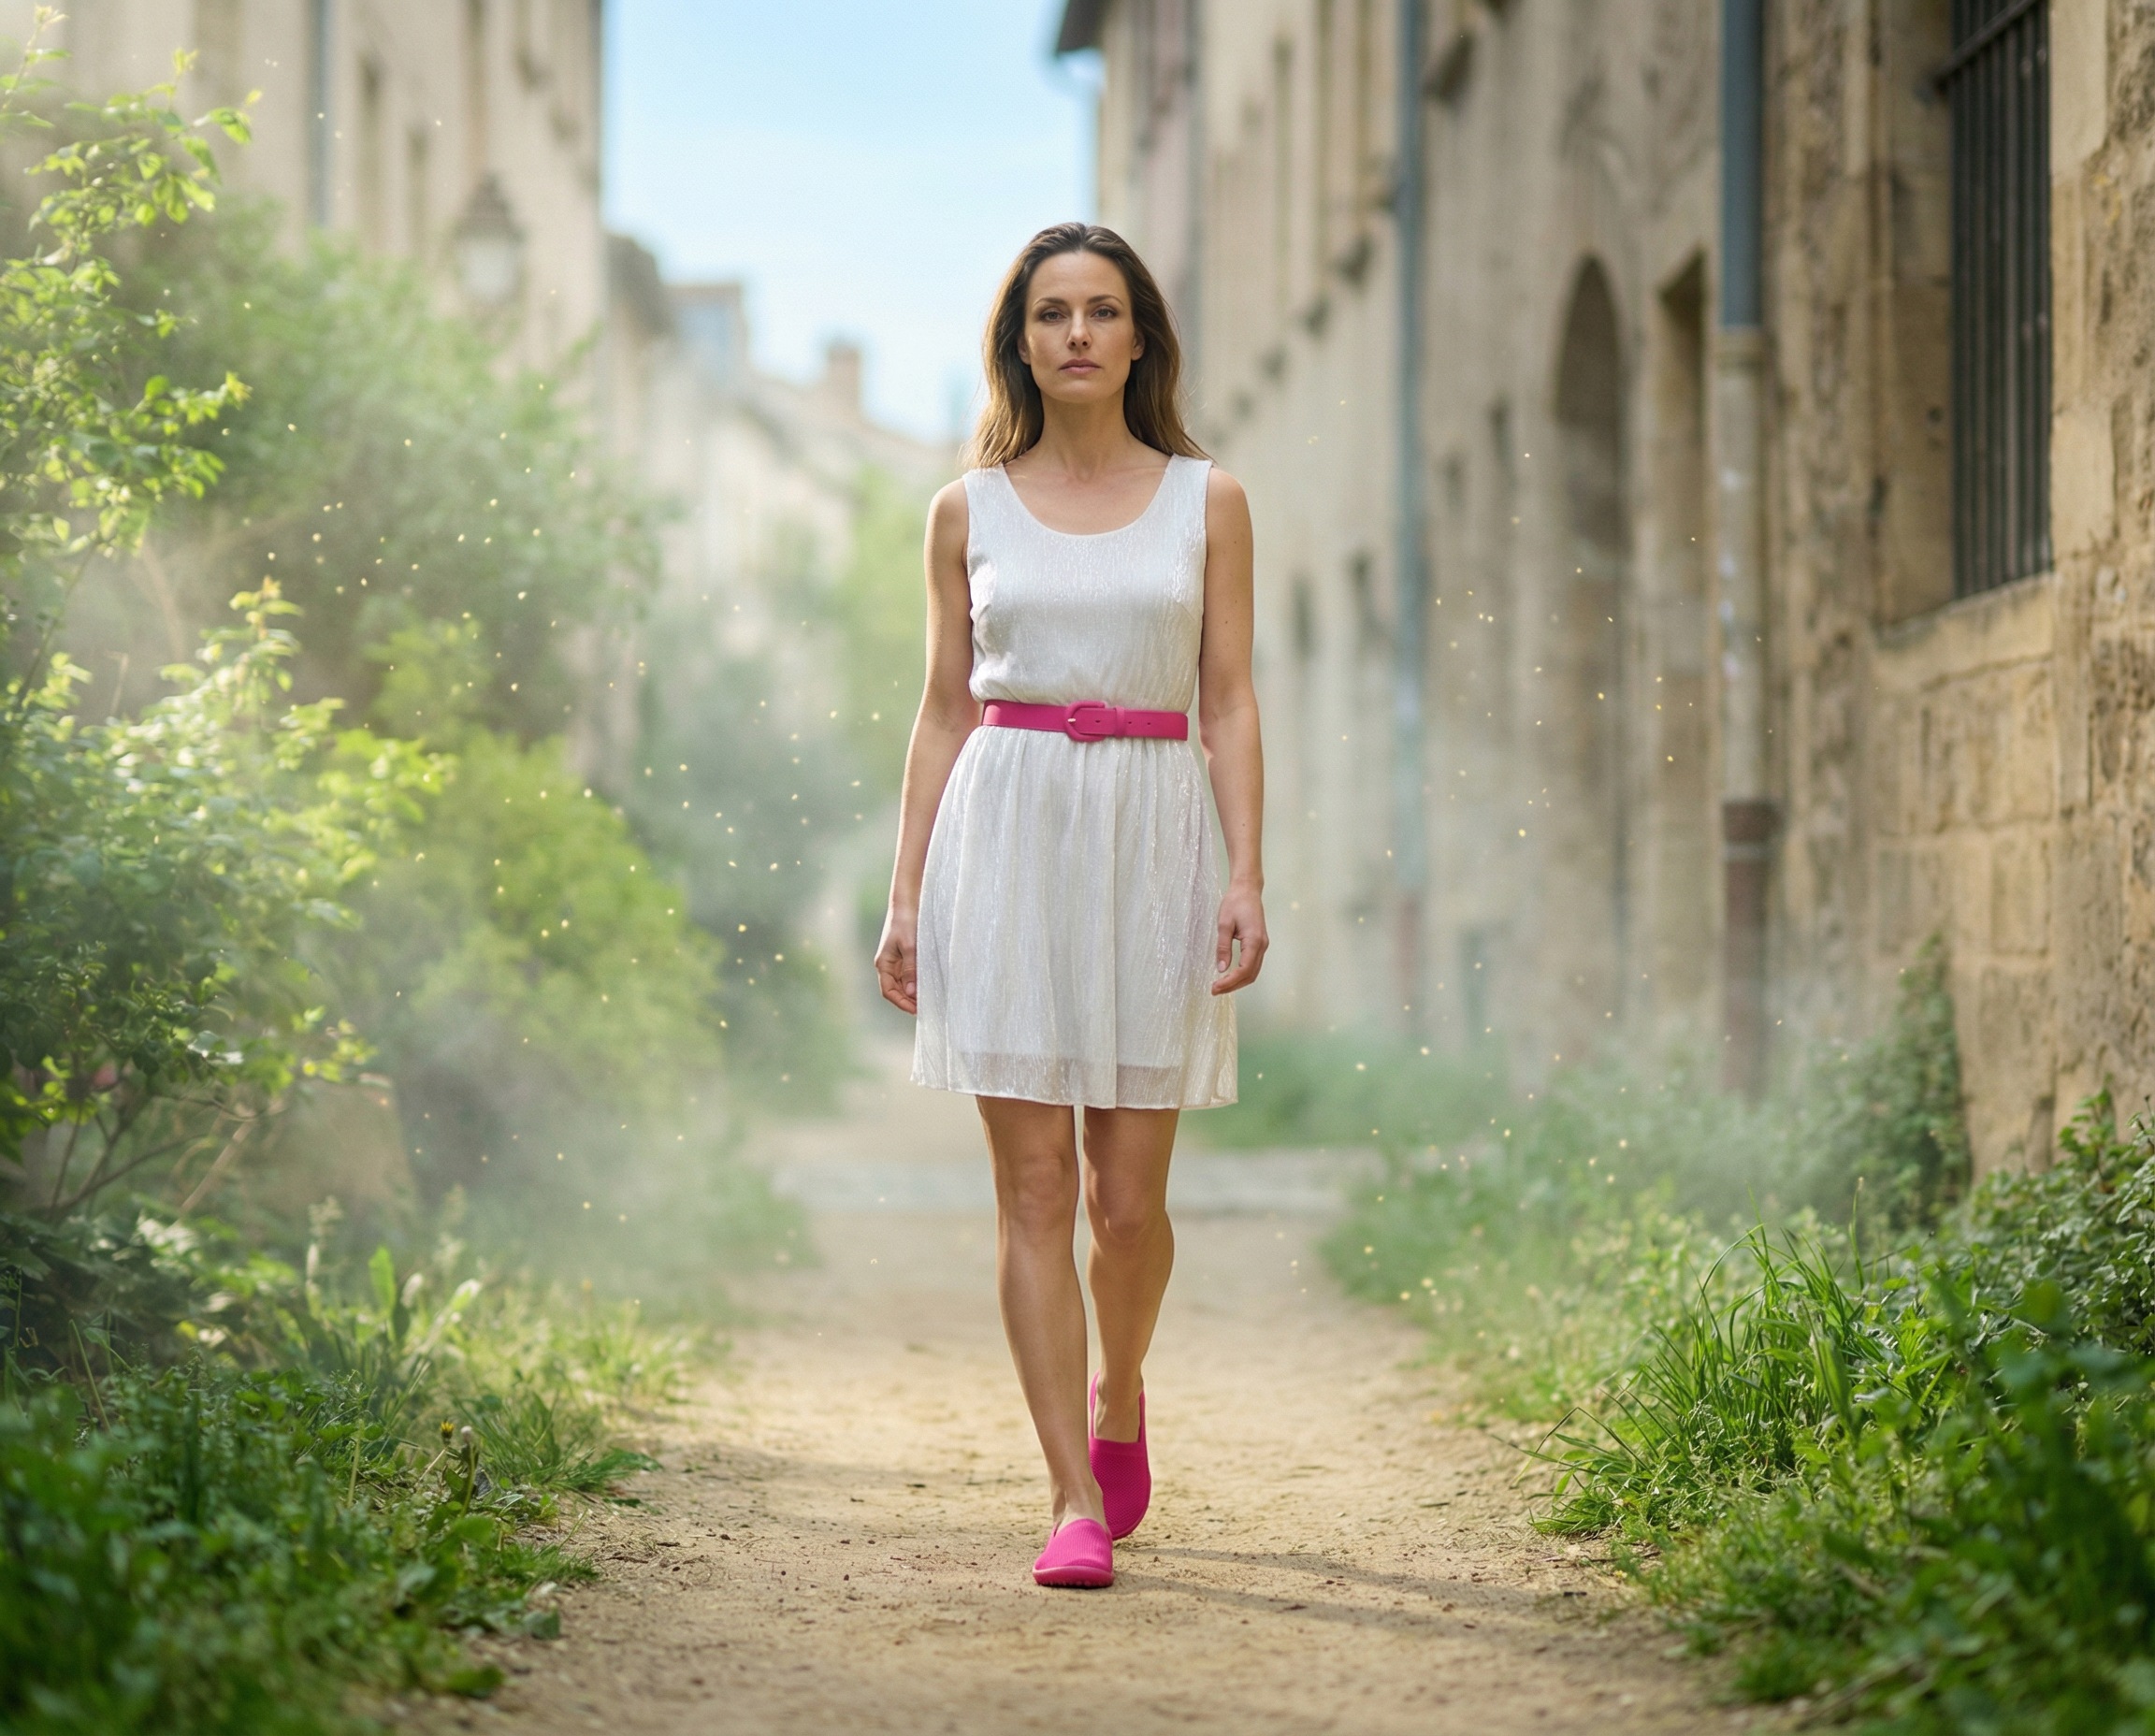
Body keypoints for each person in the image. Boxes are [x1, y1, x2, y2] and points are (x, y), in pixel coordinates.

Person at [875, 222, 1267, 1589]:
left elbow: (1229, 699)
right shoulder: (964, 510)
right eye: (1053, 313)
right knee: (1034, 1186)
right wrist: (906, 895)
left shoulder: (1209, 500)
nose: (1080, 333)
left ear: (1141, 336)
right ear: (1021, 344)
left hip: (1153, 834)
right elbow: (941, 710)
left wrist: (1246, 873)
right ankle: (1067, 1499)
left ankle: (1122, 1392)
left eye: (1104, 310)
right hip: (1007, 831)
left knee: (1127, 1205)